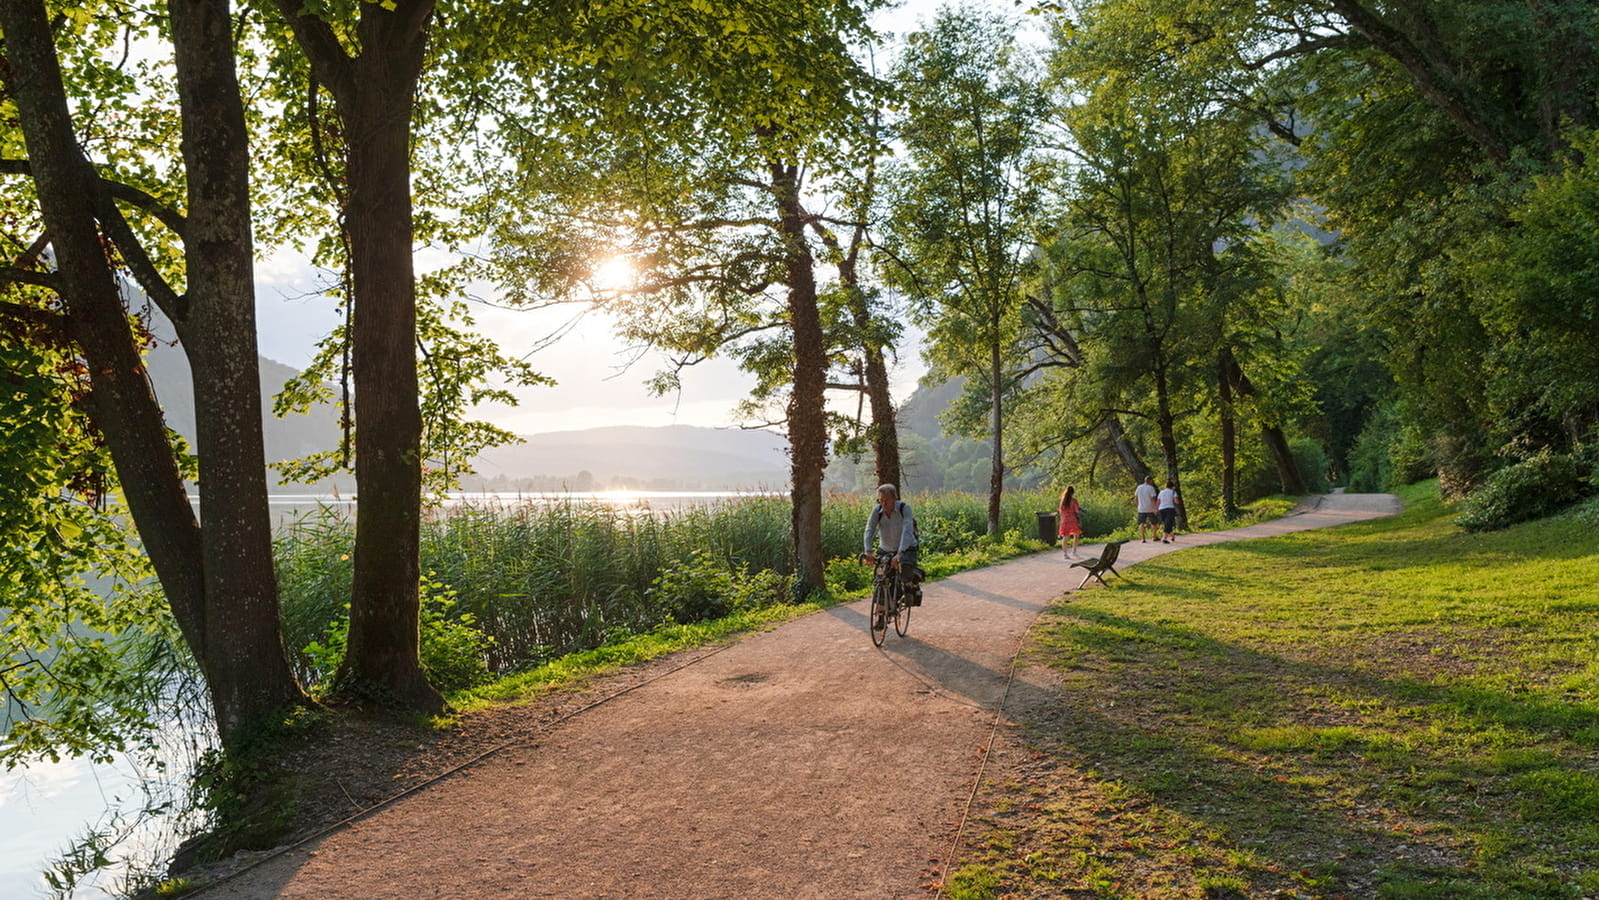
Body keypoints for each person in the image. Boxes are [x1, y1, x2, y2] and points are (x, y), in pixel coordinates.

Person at [861, 484, 922, 606]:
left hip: (907, 548)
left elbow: (907, 531)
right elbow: (869, 529)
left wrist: (899, 554)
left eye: (886, 500)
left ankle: (911, 585)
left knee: (904, 569)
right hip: (886, 549)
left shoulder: (904, 509)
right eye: (880, 500)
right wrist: (868, 551)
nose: (883, 504)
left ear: (895, 498)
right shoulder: (877, 511)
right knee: (881, 576)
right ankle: (881, 612)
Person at [1057, 485, 1083, 558]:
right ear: (1073, 493)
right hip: (1072, 520)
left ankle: (1065, 554)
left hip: (1064, 520)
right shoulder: (1074, 501)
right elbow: (1076, 511)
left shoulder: (1062, 501)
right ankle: (1074, 551)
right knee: (1076, 535)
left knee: (1065, 537)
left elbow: (1061, 511)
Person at [1134, 475, 1159, 542]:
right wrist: (1155, 508)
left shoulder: (1139, 487)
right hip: (1150, 508)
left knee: (1141, 523)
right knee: (1154, 523)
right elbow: (1153, 498)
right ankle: (1154, 536)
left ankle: (1143, 538)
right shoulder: (1151, 488)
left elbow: (1136, 498)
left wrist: (1138, 506)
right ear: (1150, 481)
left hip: (1141, 508)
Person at [1157, 479, 1181, 543]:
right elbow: (1176, 501)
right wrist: (1178, 501)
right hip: (1170, 509)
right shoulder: (1173, 492)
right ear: (1172, 486)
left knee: (1167, 523)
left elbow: (1158, 501)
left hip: (1161, 509)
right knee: (1168, 523)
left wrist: (1156, 509)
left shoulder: (1161, 492)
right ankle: (1164, 538)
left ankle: (1172, 536)